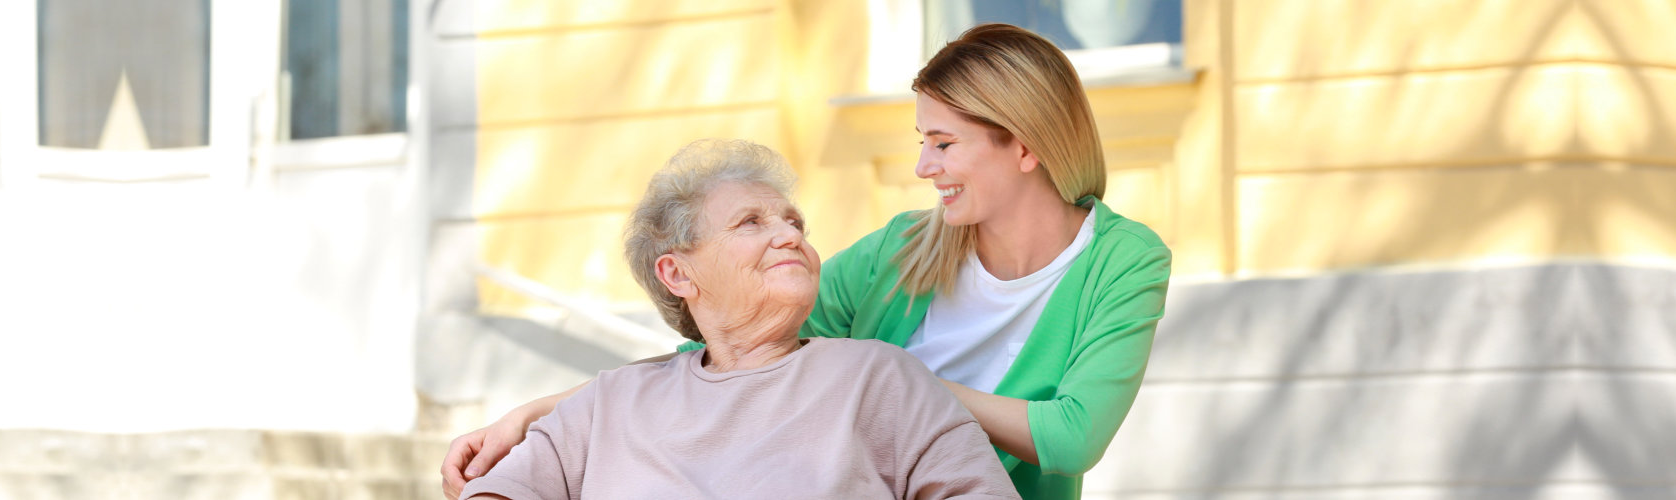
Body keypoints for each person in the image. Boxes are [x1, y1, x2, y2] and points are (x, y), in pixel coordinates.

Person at [445, 24, 1171, 499]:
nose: (923, 166)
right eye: (921, 141)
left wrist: (904, 382)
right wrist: (540, 414)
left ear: (1024, 145)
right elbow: (728, 342)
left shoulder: (1123, 261)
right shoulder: (907, 247)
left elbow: (1073, 436)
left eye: (944, 144)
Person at [457, 139, 1019, 500]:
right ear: (678, 274)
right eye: (751, 222)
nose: (790, 235)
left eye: (795, 223)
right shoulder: (609, 402)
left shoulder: (880, 378)